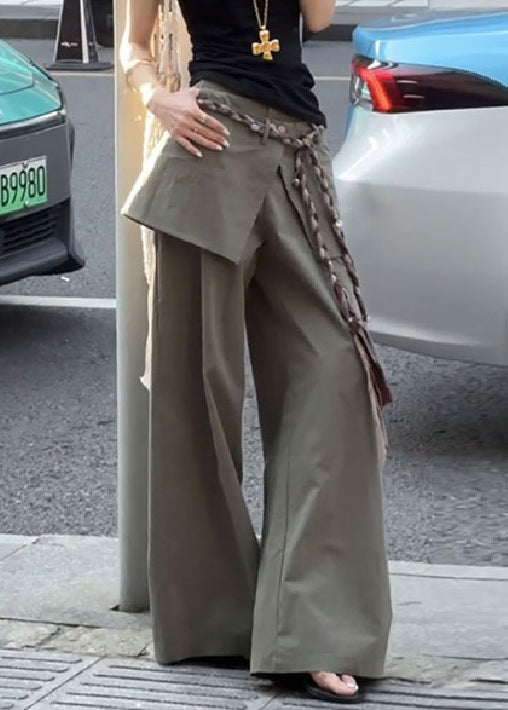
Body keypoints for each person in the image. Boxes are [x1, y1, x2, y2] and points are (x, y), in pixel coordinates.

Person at [120, 0, 393, 703]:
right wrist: (157, 98)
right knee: (196, 392)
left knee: (335, 373)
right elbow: (132, 44)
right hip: (207, 152)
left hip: (296, 155)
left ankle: (312, 630)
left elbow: (319, 20)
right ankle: (216, 620)